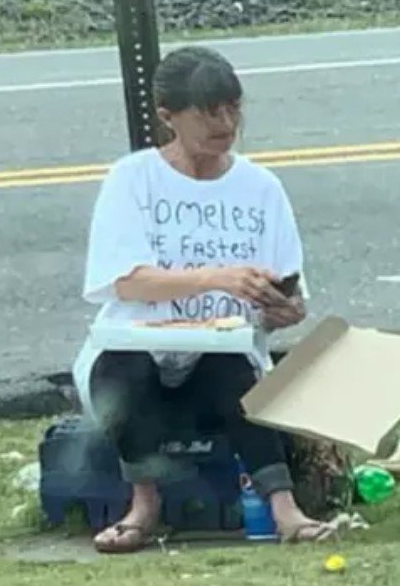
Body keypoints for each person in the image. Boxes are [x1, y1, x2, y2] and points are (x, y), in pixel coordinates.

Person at [70, 46, 336, 552]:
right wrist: (216, 278)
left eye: (233, 108)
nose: (226, 122)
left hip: (223, 355)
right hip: (135, 352)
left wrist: (284, 310)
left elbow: (287, 293)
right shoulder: (133, 179)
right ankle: (143, 505)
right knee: (125, 369)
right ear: (169, 116)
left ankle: (286, 510)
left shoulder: (260, 188)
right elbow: (126, 282)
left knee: (231, 367)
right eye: (209, 112)